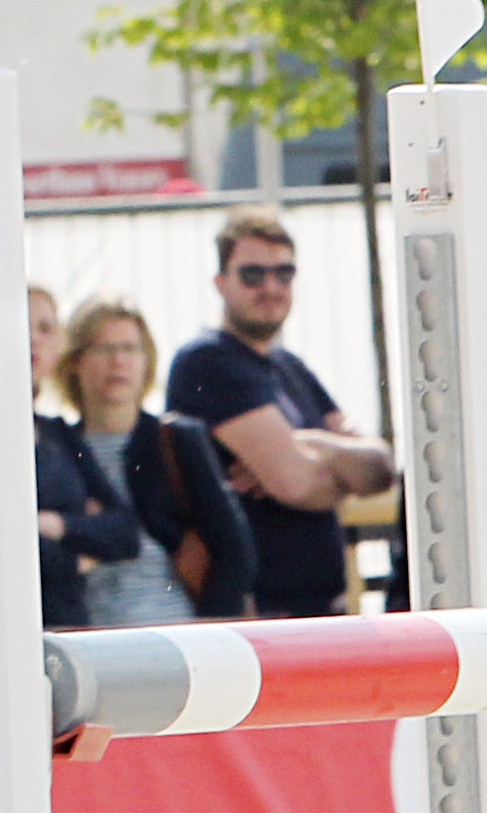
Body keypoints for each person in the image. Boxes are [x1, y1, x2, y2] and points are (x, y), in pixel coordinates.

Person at [167, 207, 395, 618]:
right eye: (253, 274)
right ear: (220, 282)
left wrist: (308, 445)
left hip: (324, 610)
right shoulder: (208, 362)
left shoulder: (290, 367)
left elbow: (380, 469)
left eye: (284, 273)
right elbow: (297, 485)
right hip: (256, 615)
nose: (271, 286)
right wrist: (338, 468)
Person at [57, 295, 254, 623]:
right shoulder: (58, 446)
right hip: (85, 641)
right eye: (103, 348)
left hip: (174, 633)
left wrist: (212, 635)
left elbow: (234, 553)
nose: (118, 360)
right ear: (75, 361)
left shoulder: (175, 440)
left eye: (131, 349)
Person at [26, 280, 140, 627]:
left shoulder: (59, 434)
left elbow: (125, 533)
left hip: (70, 632)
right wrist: (73, 559)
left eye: (45, 328)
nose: (32, 339)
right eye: (19, 325)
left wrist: (57, 524)